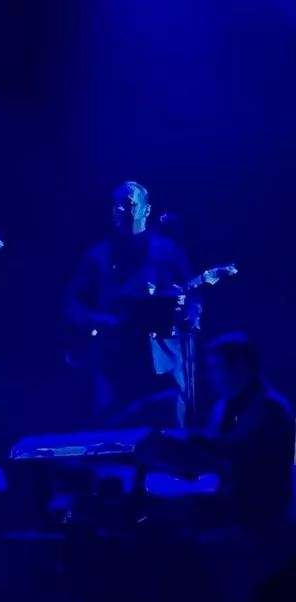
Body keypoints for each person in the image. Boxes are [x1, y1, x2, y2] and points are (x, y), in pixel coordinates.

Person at [64, 181, 192, 424]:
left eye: (130, 205)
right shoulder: (97, 255)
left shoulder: (166, 250)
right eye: (116, 207)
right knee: (112, 431)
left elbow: (189, 294)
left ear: (146, 209)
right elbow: (72, 304)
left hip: (160, 358)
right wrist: (100, 320)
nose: (121, 211)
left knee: (164, 426)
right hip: (115, 358)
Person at [192, 334, 293, 529]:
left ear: (241, 366)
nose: (209, 377)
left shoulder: (269, 407)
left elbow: (241, 452)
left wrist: (191, 442)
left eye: (216, 368)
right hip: (234, 511)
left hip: (261, 521)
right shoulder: (224, 405)